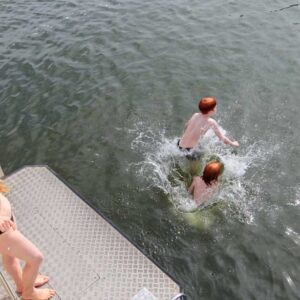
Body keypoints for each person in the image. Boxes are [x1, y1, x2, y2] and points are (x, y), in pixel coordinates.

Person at [0, 180, 55, 300]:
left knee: (9, 255)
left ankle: (22, 284)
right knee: (36, 258)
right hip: (2, 230)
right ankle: (29, 293)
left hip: (6, 222)